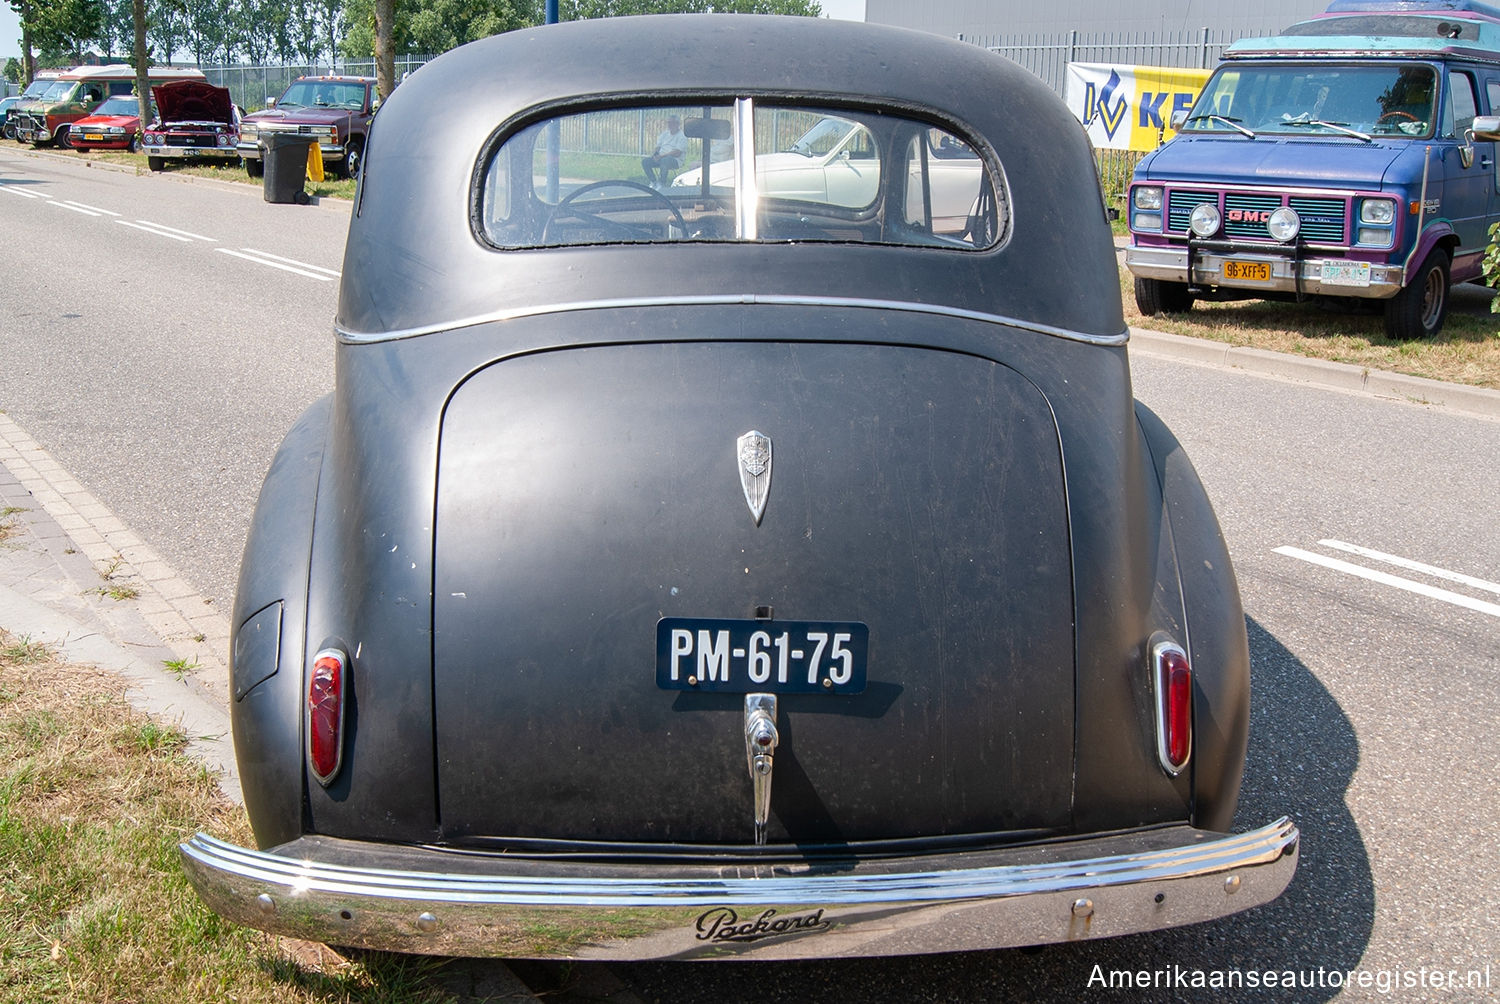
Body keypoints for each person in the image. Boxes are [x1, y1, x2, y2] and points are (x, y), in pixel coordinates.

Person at [642, 114, 687, 189]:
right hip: (660, 157)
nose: (669, 125)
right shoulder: (664, 134)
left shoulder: (682, 136)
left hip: (675, 160)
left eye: (672, 123)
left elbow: (677, 153)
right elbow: (658, 147)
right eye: (668, 122)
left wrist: (661, 156)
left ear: (677, 124)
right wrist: (655, 155)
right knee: (645, 161)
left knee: (665, 160)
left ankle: (662, 183)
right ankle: (653, 182)